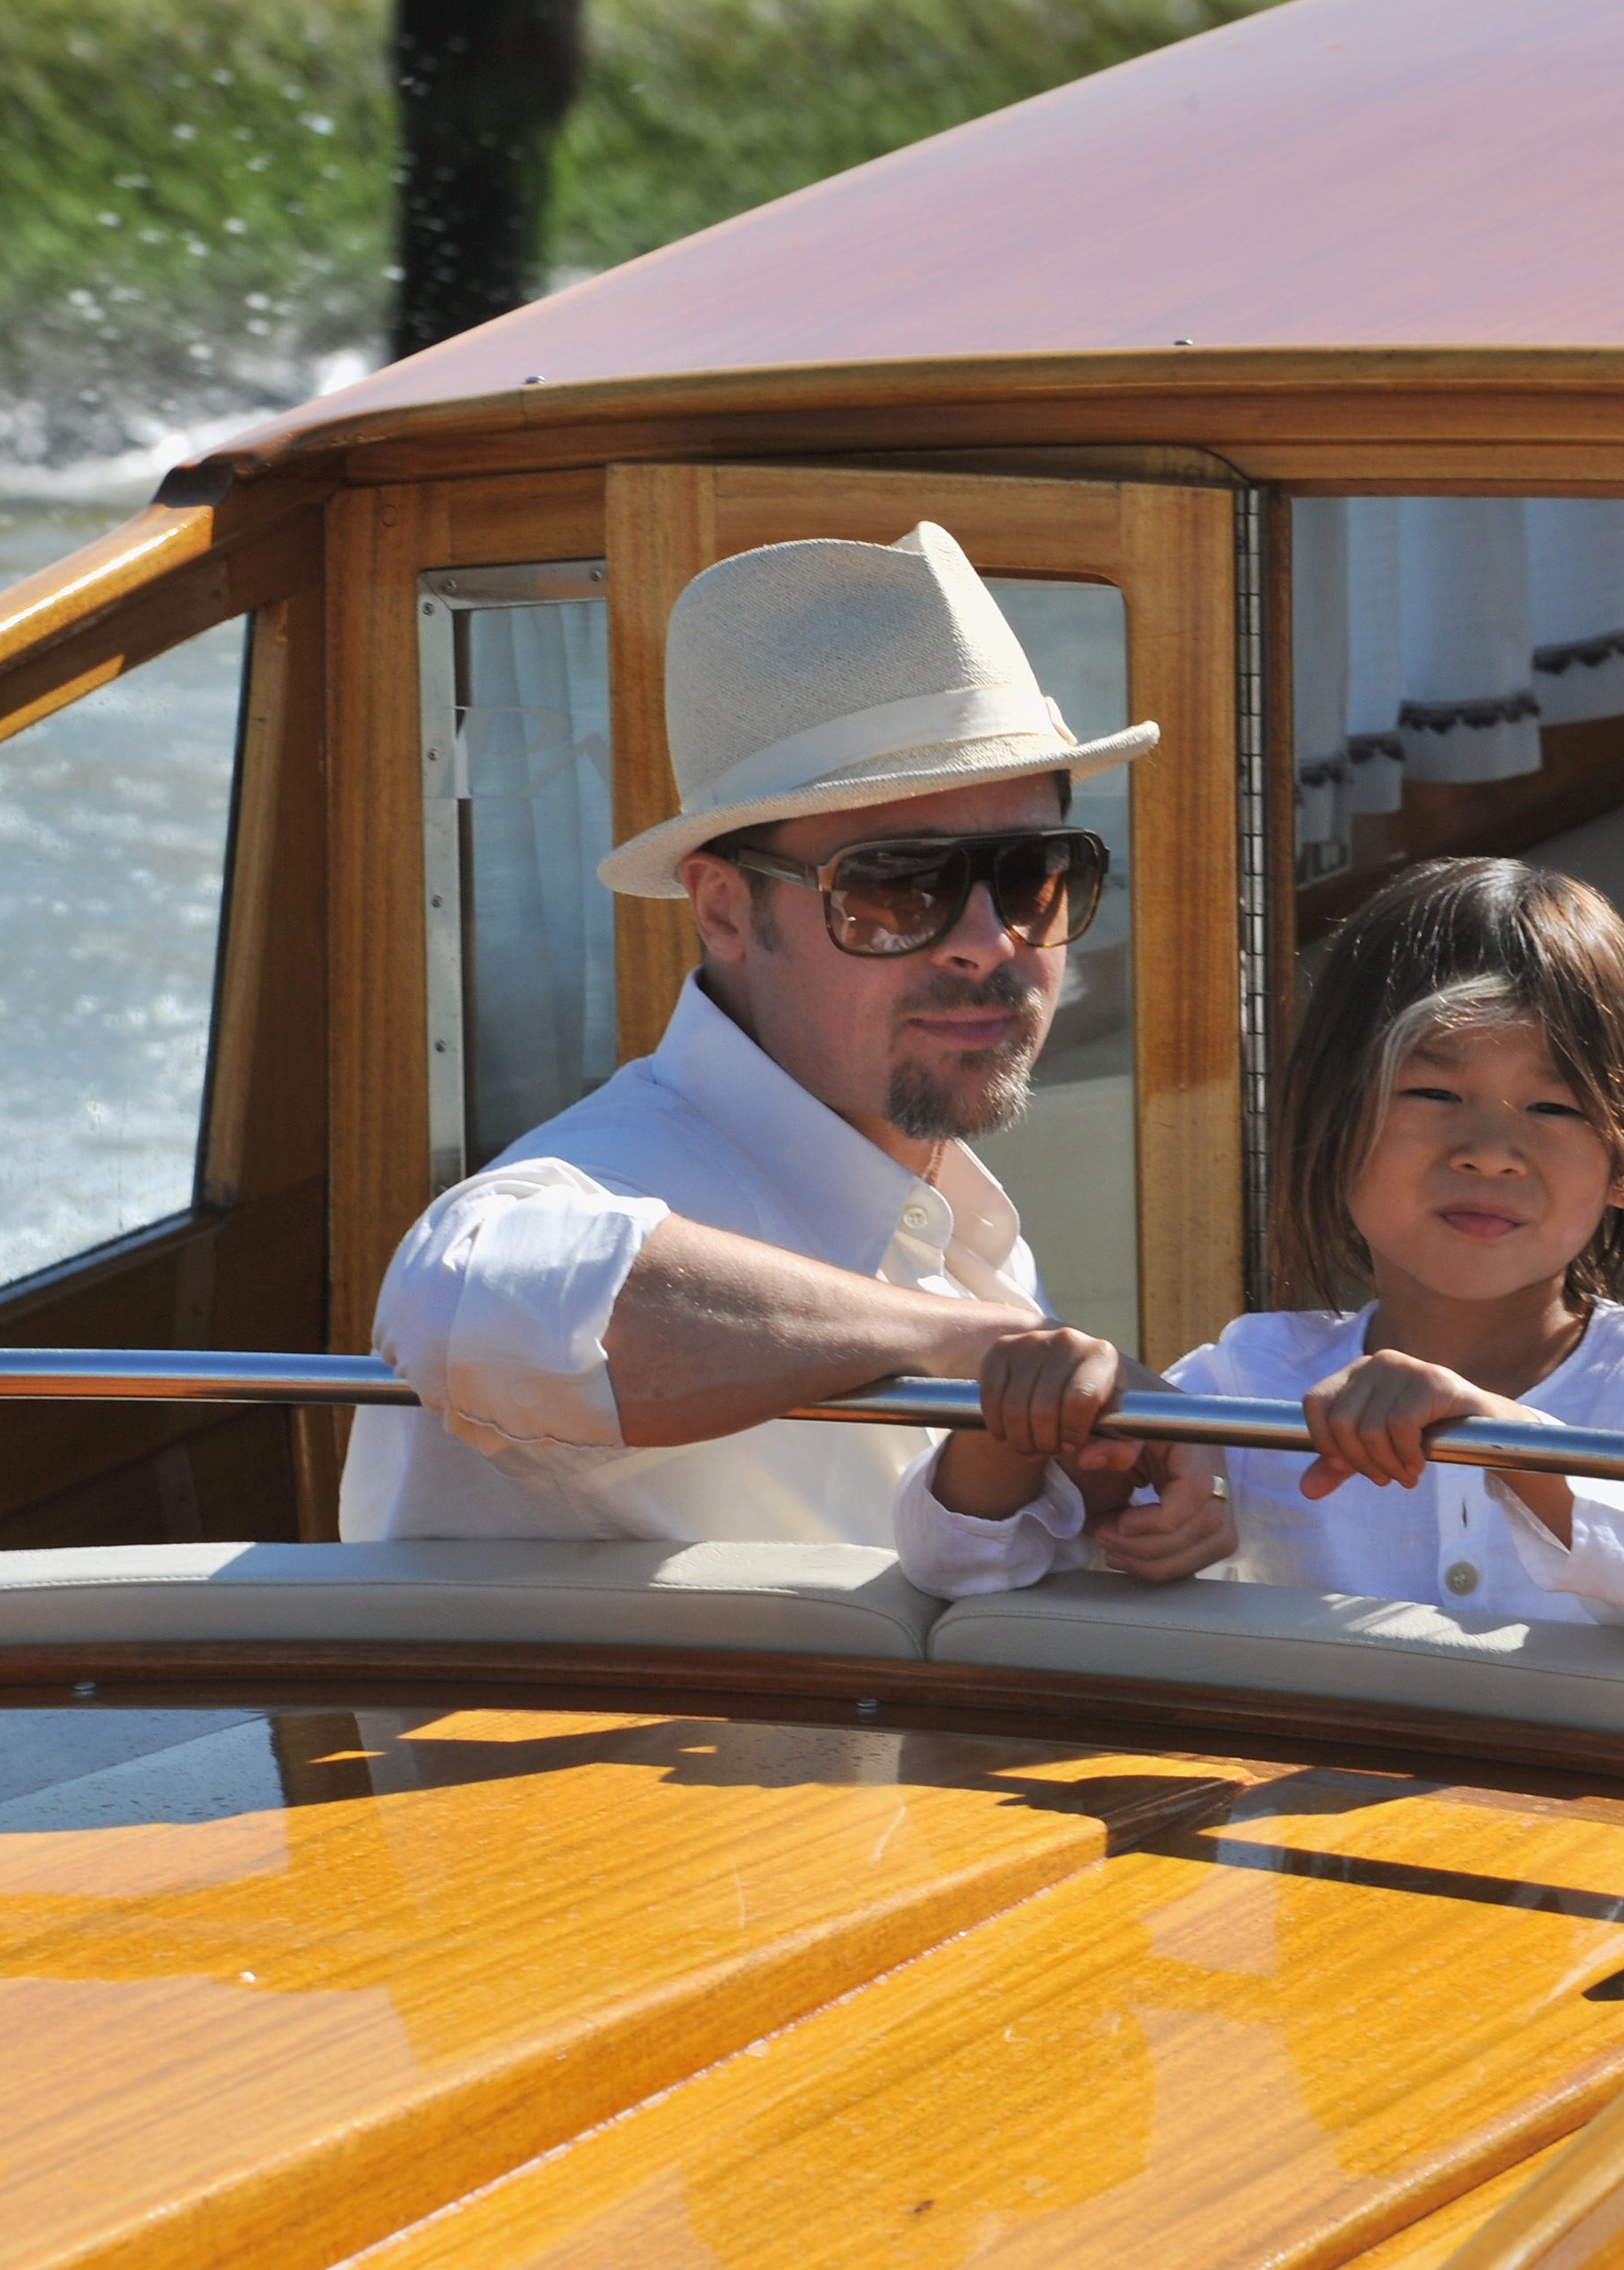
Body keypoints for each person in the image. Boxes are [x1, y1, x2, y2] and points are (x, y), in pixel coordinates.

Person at [337, 520, 1161, 1543]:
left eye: (1033, 875)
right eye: (899, 887)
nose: (984, 941)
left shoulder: (958, 1224)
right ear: (723, 909)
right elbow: (456, 1295)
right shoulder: (606, 1182)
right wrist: (966, 1343)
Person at [896, 856, 1624, 1653]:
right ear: (1332, 1126)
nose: (1489, 1150)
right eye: (1433, 1094)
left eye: (1554, 1107)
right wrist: (1031, 1420)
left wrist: (1491, 1434)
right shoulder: (1248, 1380)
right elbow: (962, 1569)